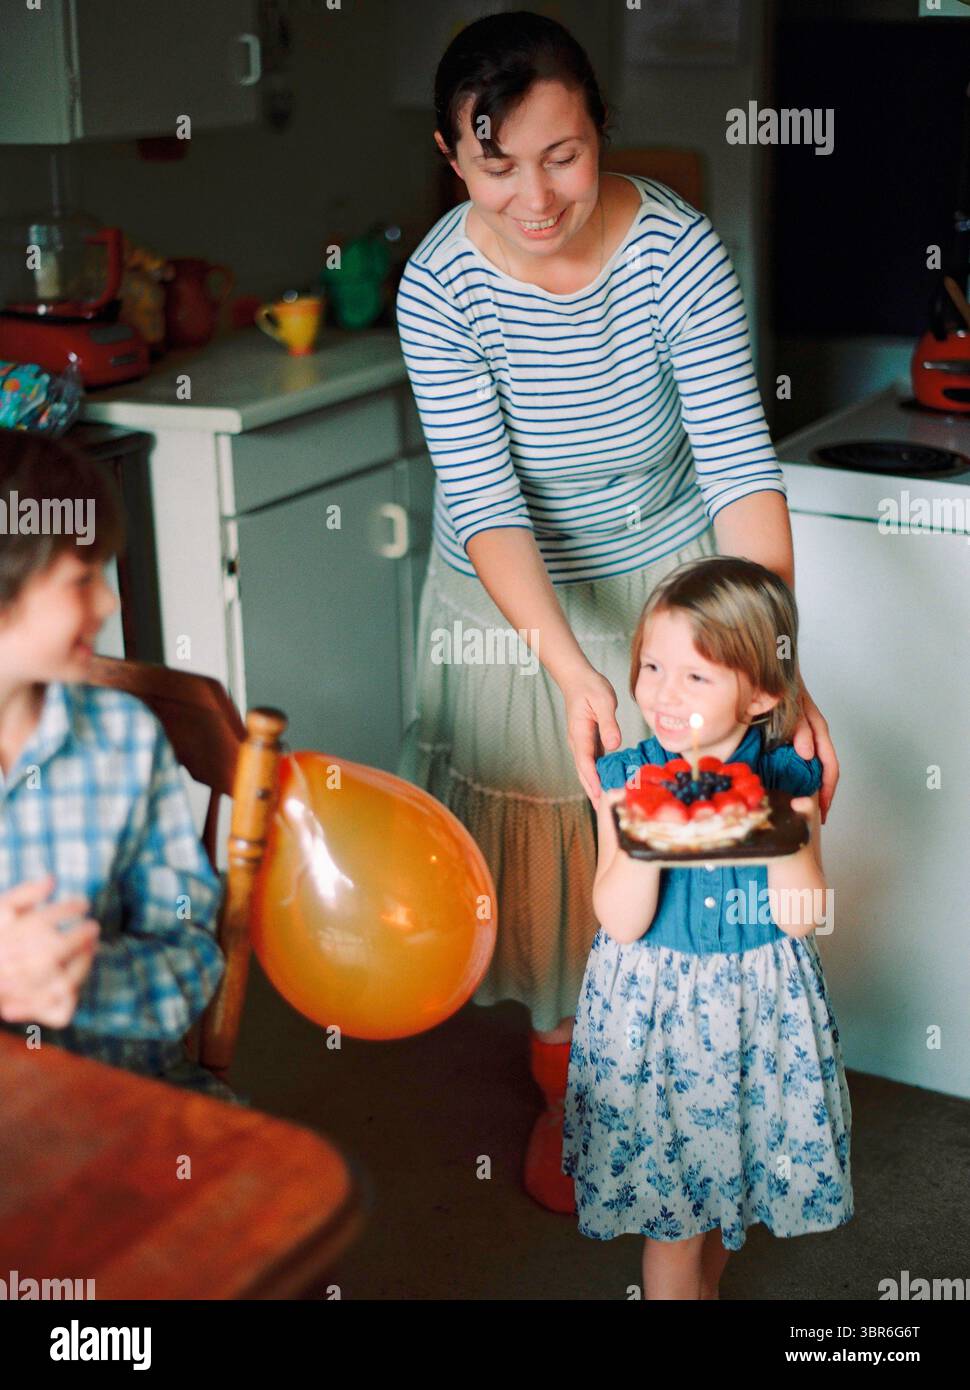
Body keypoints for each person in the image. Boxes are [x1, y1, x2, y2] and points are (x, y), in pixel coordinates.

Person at [395, 10, 839, 1211]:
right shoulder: (439, 287)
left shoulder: (676, 249)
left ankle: (696, 1067)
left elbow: (737, 464)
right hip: (514, 593)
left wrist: (777, 669)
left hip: (668, 573)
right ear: (452, 155)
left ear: (601, 133)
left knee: (704, 832)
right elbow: (487, 501)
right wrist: (573, 672)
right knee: (560, 858)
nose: (536, 195)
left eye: (564, 154)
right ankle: (571, 1086)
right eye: (498, 165)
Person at [561, 554, 853, 1297]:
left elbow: (805, 914)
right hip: (655, 1015)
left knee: (729, 1204)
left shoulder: (790, 777)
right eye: (652, 666)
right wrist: (649, 832)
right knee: (674, 1224)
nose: (663, 693)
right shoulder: (624, 777)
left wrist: (771, 824)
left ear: (760, 694)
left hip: (758, 1012)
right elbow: (619, 920)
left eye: (696, 677)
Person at [0, 429, 240, 1104]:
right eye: (83, 579)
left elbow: (193, 954)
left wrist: (81, 975)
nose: (109, 603)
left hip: (121, 1099)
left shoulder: (123, 743)